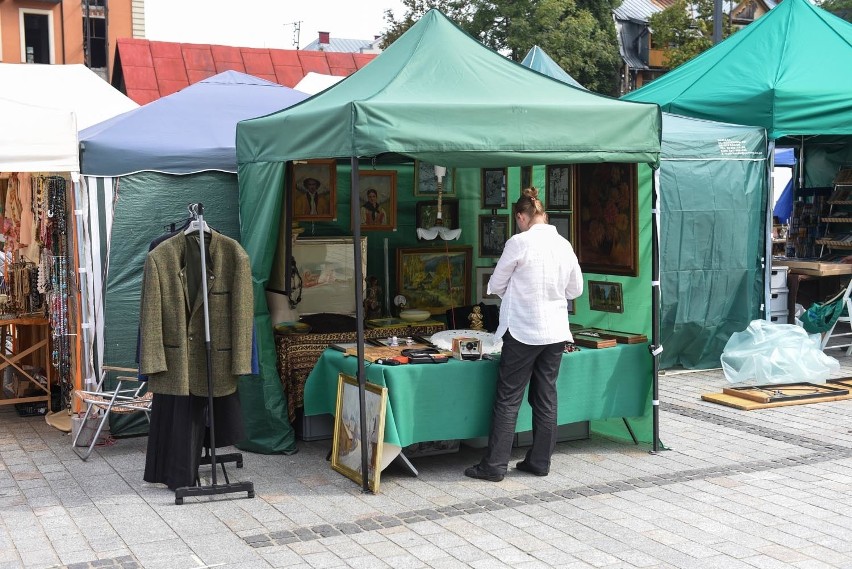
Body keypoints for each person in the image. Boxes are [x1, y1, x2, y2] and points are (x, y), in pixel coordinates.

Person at [464, 187, 583, 482]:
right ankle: (540, 462)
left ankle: (494, 466)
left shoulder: (519, 242)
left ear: (521, 216)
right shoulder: (564, 244)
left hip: (522, 330)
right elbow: (575, 290)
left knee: (508, 398)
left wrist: (512, 291)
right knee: (546, 398)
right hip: (555, 331)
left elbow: (495, 283)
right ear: (544, 215)